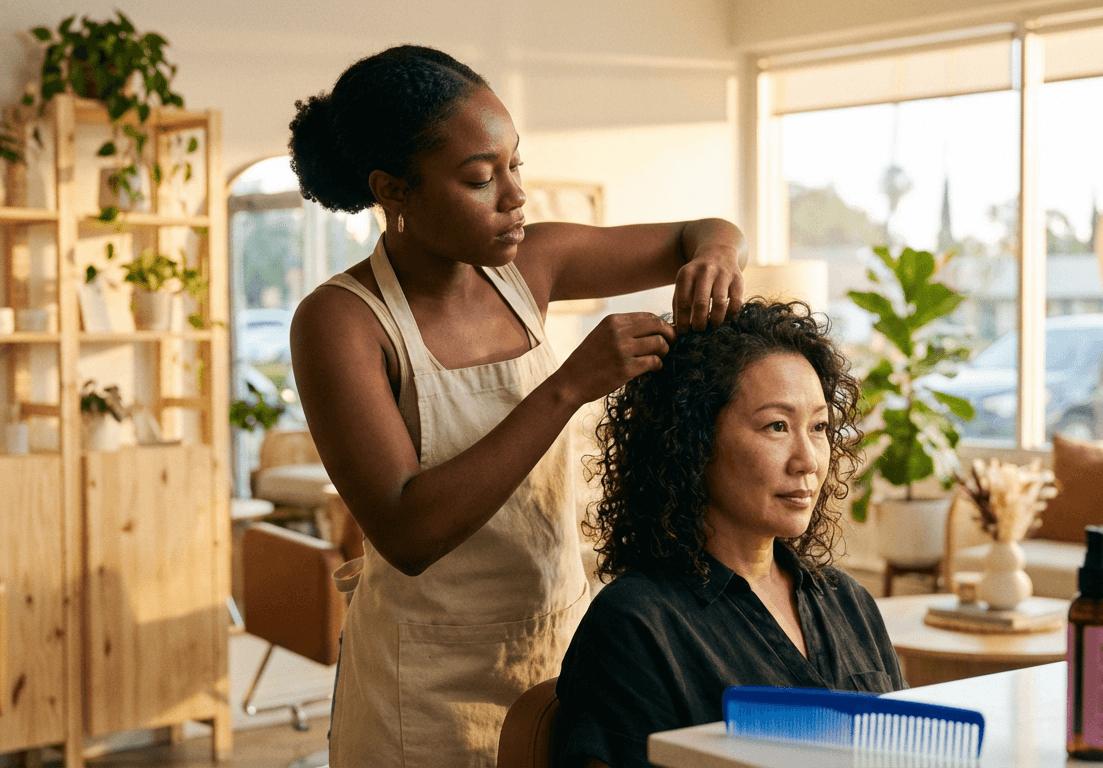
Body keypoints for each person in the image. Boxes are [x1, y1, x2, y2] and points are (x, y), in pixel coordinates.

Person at [286, 45, 746, 767]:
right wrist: (566, 387)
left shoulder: (533, 264)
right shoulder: (342, 322)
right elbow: (409, 530)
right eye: (479, 178)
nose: (513, 196)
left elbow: (707, 231)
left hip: (558, 648)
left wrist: (715, 261)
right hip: (425, 686)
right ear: (394, 190)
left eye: (514, 166)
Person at [556, 300, 907, 768]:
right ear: (693, 440)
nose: (808, 460)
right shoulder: (635, 624)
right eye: (776, 426)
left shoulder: (849, 602)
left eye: (819, 426)